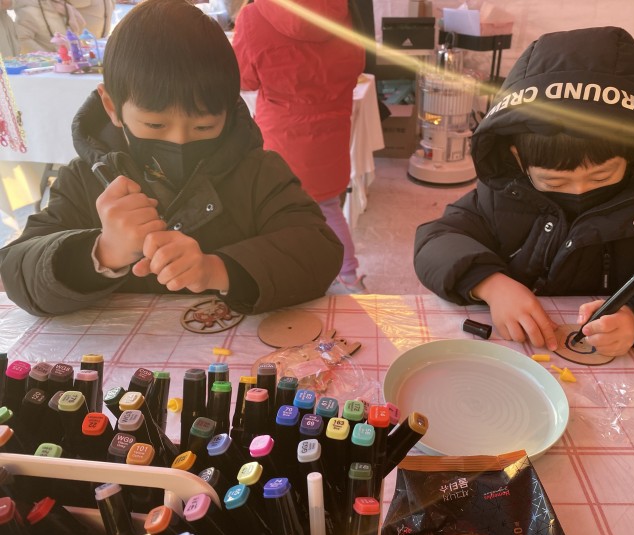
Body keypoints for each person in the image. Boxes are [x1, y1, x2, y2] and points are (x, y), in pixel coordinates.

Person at [0, 0, 343, 317]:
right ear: (112, 107)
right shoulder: (86, 178)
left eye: (204, 126)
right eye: (155, 125)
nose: (179, 140)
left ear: (228, 111)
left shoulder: (258, 172)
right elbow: (16, 271)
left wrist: (218, 269)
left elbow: (319, 249)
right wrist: (103, 252)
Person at [414, 26, 634, 356]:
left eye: (602, 175)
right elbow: (436, 240)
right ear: (516, 157)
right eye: (555, 182)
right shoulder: (501, 195)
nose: (579, 189)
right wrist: (490, 284)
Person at [232, 0, 367, 294]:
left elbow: (243, 78)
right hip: (332, 128)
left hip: (282, 133)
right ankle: (349, 277)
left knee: (277, 210)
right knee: (329, 207)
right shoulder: (342, 7)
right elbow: (357, 63)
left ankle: (289, 277)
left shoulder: (254, 15)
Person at [11, 0, 85, 53]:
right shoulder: (28, 10)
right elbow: (22, 40)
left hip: (71, 61)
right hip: (50, 66)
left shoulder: (65, 7)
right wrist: (48, 57)